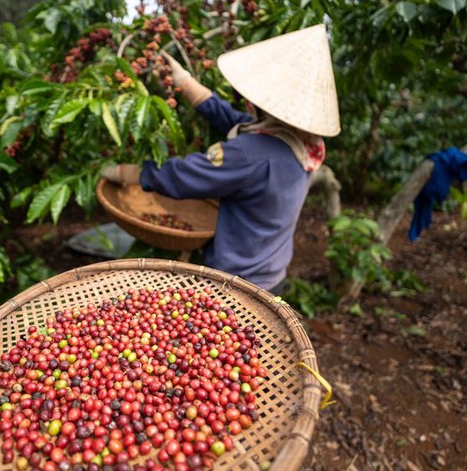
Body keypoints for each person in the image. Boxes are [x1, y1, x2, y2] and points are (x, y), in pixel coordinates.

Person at [102, 24, 340, 295]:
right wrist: (184, 82)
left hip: (237, 283)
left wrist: (128, 173)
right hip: (272, 273)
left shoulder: (249, 154)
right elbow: (233, 119)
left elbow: (184, 176)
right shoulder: (302, 142)